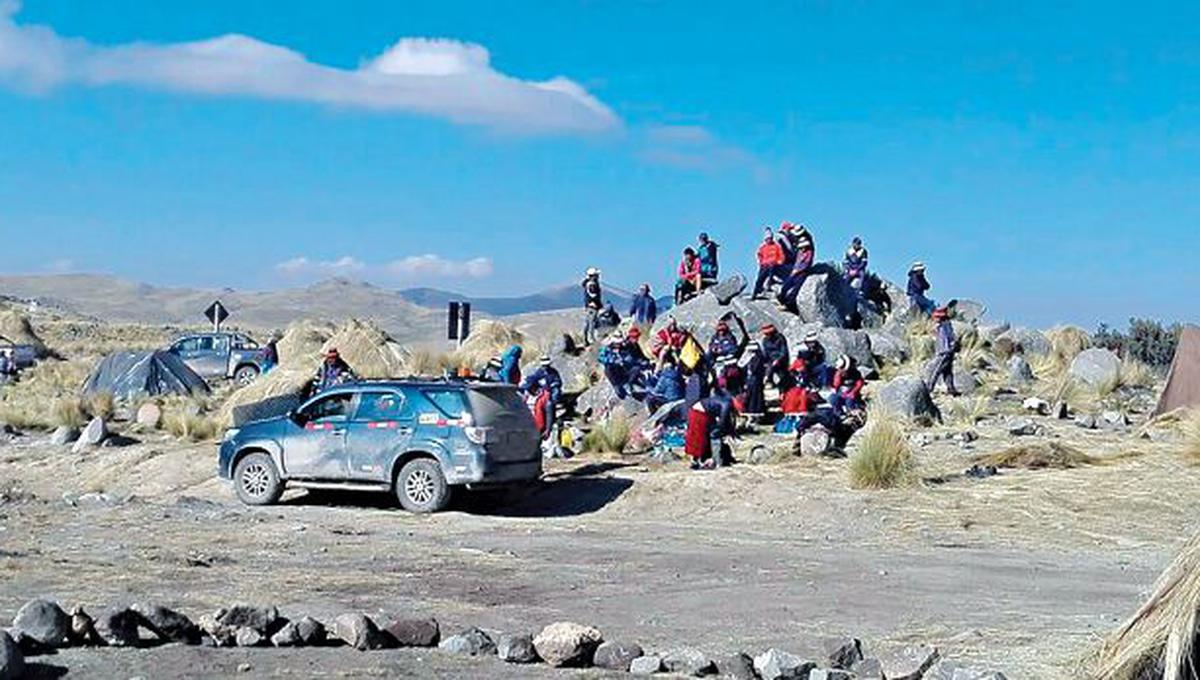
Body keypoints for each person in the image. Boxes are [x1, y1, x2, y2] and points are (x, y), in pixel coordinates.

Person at [685, 389, 736, 470]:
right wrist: (719, 432)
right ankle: (698, 461)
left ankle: (707, 459)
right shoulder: (726, 404)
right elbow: (723, 420)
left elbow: (727, 421)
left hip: (706, 412)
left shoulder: (726, 401)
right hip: (699, 412)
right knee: (699, 439)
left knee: (703, 437)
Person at [521, 356, 565, 449]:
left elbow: (558, 382)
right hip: (528, 425)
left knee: (552, 399)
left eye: (547, 365)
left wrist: (548, 429)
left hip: (550, 392)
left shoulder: (553, 372)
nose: (545, 367)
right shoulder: (538, 373)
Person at [600, 328, 651, 400]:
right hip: (615, 375)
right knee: (621, 393)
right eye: (617, 343)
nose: (619, 345)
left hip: (625, 370)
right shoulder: (607, 350)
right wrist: (614, 361)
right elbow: (602, 359)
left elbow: (632, 358)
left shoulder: (623, 347)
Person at [926, 307, 960, 395]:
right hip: (948, 351)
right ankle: (951, 389)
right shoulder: (947, 325)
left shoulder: (944, 326)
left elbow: (946, 339)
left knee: (935, 370)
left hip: (944, 351)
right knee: (947, 372)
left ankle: (929, 388)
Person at [777, 236, 814, 314]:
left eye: (804, 247)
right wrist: (794, 270)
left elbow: (806, 264)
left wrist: (797, 270)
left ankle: (788, 305)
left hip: (802, 273)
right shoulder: (800, 252)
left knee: (795, 289)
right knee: (785, 286)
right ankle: (781, 300)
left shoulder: (809, 253)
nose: (802, 248)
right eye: (801, 247)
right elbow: (797, 262)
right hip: (794, 272)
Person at [752, 228, 786, 299]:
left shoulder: (777, 246)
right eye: (767, 239)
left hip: (774, 265)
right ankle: (756, 292)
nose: (768, 240)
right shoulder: (763, 247)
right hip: (764, 265)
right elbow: (759, 254)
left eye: (770, 238)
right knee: (760, 278)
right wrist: (761, 262)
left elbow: (782, 256)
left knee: (771, 270)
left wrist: (779, 262)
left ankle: (769, 285)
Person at [759, 323, 792, 391]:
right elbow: (766, 353)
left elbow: (784, 351)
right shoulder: (765, 340)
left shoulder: (780, 338)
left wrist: (778, 360)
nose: (767, 335)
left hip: (781, 361)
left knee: (782, 375)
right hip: (771, 361)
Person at [582, 267, 604, 346]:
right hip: (592, 307)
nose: (598, 276)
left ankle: (586, 339)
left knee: (589, 322)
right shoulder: (592, 284)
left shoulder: (591, 283)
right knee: (592, 322)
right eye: (596, 275)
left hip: (590, 306)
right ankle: (590, 339)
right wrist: (594, 302)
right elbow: (593, 295)